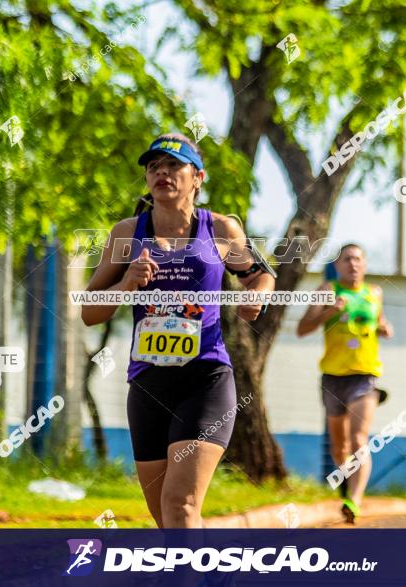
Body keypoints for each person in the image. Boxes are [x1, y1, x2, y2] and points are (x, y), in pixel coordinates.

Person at [81, 133, 275, 528]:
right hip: (149, 384)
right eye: (154, 167)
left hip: (205, 380)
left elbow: (262, 276)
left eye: (173, 166)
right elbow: (88, 312)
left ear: (198, 177)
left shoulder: (220, 229)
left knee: (181, 504)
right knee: (167, 517)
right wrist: (124, 285)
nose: (161, 173)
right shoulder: (126, 234)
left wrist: (255, 296)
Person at [296, 243, 392, 523]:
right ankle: (347, 489)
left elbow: (380, 321)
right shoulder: (327, 291)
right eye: (347, 259)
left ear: (365, 264)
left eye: (358, 259)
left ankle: (356, 500)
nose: (353, 264)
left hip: (365, 376)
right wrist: (329, 311)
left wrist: (385, 327)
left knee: (359, 438)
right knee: (339, 447)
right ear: (337, 266)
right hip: (333, 377)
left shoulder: (374, 293)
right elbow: (302, 329)